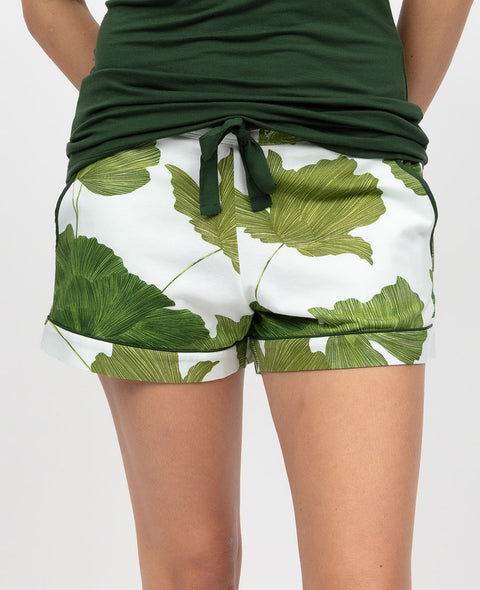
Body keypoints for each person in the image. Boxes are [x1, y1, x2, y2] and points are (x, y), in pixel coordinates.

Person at [22, 1, 474, 588]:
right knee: (191, 571)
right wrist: (141, 98)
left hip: (350, 172)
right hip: (146, 179)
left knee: (365, 576)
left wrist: (370, 113)